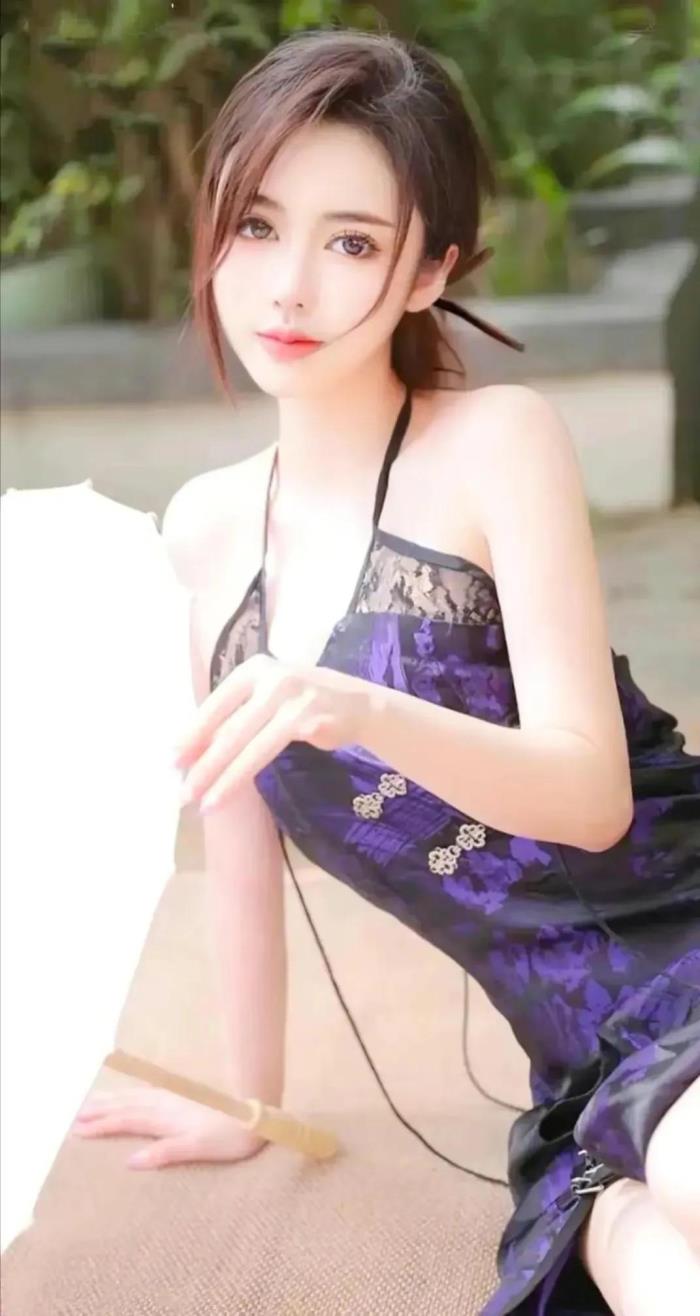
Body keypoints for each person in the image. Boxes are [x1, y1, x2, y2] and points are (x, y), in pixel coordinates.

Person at [71, 28, 700, 1316]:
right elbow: (238, 850)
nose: (289, 287)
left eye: (352, 243)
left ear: (431, 271)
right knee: (655, 1259)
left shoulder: (497, 443)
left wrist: (358, 704)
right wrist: (249, 1100)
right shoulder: (205, 536)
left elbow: (591, 800)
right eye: (257, 226)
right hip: (584, 1058)